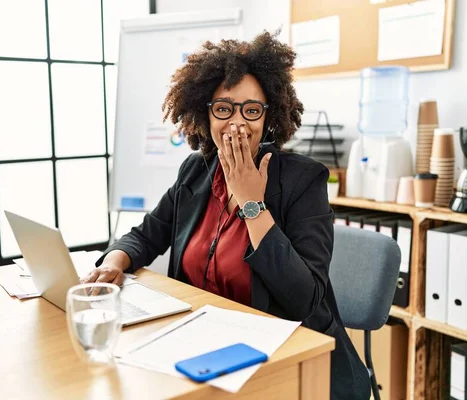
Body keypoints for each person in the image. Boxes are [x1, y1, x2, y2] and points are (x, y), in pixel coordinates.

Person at [84, 31, 370, 399]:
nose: (237, 123)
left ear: (268, 118)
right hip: (207, 350)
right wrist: (115, 261)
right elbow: (146, 234)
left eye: (251, 110)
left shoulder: (303, 180)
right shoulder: (195, 171)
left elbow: (304, 300)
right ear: (206, 113)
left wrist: (253, 205)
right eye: (224, 108)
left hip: (292, 364)